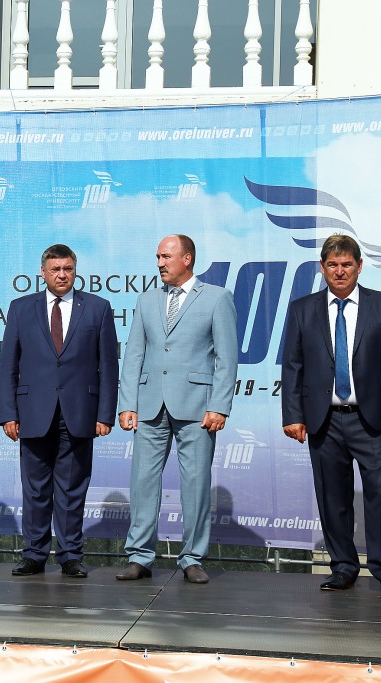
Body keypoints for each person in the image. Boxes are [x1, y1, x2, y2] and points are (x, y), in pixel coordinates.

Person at [281, 234, 381, 596]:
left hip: (373, 420)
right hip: (323, 420)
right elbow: (292, 366)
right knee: (332, 498)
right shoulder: (302, 309)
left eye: (346, 265)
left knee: (380, 494)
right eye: (332, 265)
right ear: (322, 268)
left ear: (359, 266)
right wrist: (292, 415)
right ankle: (342, 567)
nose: (339, 271)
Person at [117, 234, 238, 584]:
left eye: (166, 257)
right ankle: (139, 556)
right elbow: (134, 354)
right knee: (142, 482)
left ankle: (192, 558)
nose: (159, 263)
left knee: (196, 483)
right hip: (150, 405)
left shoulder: (217, 297)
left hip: (198, 407)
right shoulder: (146, 300)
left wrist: (219, 405)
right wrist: (127, 403)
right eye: (157, 257)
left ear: (187, 259)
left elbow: (227, 357)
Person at [0, 244, 119, 578]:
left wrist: (105, 414)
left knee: (72, 489)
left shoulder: (97, 308)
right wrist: (8, 413)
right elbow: (8, 365)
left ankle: (70, 555)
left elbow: (108, 366)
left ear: (75, 270)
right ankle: (34, 555)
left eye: (67, 269)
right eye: (55, 269)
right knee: (35, 489)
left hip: (79, 413)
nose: (62, 275)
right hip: (33, 412)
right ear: (43, 273)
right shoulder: (21, 308)